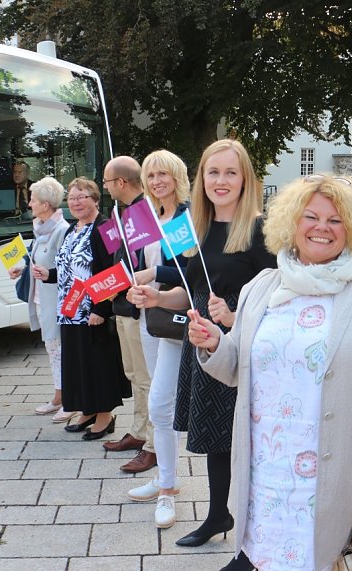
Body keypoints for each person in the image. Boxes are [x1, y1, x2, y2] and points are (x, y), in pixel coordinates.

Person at [184, 174, 352, 570]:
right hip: (269, 478)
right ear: (291, 224)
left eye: (336, 220)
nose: (322, 228)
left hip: (343, 480)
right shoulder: (261, 287)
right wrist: (214, 344)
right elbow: (239, 369)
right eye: (311, 217)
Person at [130, 139, 277, 547]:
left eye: (231, 172)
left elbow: (278, 299)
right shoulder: (196, 229)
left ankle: (253, 531)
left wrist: (234, 319)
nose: (221, 180)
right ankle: (217, 515)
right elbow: (192, 290)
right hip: (204, 347)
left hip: (240, 350)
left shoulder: (260, 231)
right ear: (201, 179)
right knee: (216, 436)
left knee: (245, 442)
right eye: (214, 172)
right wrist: (158, 298)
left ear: (246, 179)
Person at [123, 150, 191, 528]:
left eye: (163, 173)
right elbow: (136, 263)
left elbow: (189, 271)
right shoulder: (147, 217)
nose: (156, 181)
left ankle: (168, 489)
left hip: (177, 316)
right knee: (156, 402)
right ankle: (166, 477)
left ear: (177, 176)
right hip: (152, 316)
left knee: (162, 402)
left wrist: (151, 274)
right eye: (151, 175)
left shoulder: (186, 217)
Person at [32, 177, 130, 440]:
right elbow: (68, 268)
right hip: (69, 310)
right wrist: (48, 274)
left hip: (92, 312)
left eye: (82, 197)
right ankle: (87, 410)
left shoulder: (106, 228)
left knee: (98, 364)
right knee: (78, 365)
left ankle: (105, 416)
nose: (75, 202)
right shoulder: (71, 230)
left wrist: (101, 308)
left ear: (96, 200)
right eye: (72, 198)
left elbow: (114, 269)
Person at [101, 156, 157, 473]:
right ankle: (138, 431)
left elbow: (144, 264)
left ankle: (152, 442)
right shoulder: (121, 213)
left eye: (108, 182)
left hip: (138, 307)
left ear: (121, 182)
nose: (106, 187)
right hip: (122, 303)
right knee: (134, 374)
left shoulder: (143, 213)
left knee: (147, 378)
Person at [8, 176, 74, 423]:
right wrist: (22, 268)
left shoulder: (60, 231)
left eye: (33, 200)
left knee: (59, 350)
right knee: (52, 349)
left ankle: (68, 399)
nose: (29, 204)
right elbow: (35, 259)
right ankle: (59, 396)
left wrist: (46, 273)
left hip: (56, 301)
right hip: (40, 299)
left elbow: (65, 268)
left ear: (46, 204)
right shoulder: (41, 228)